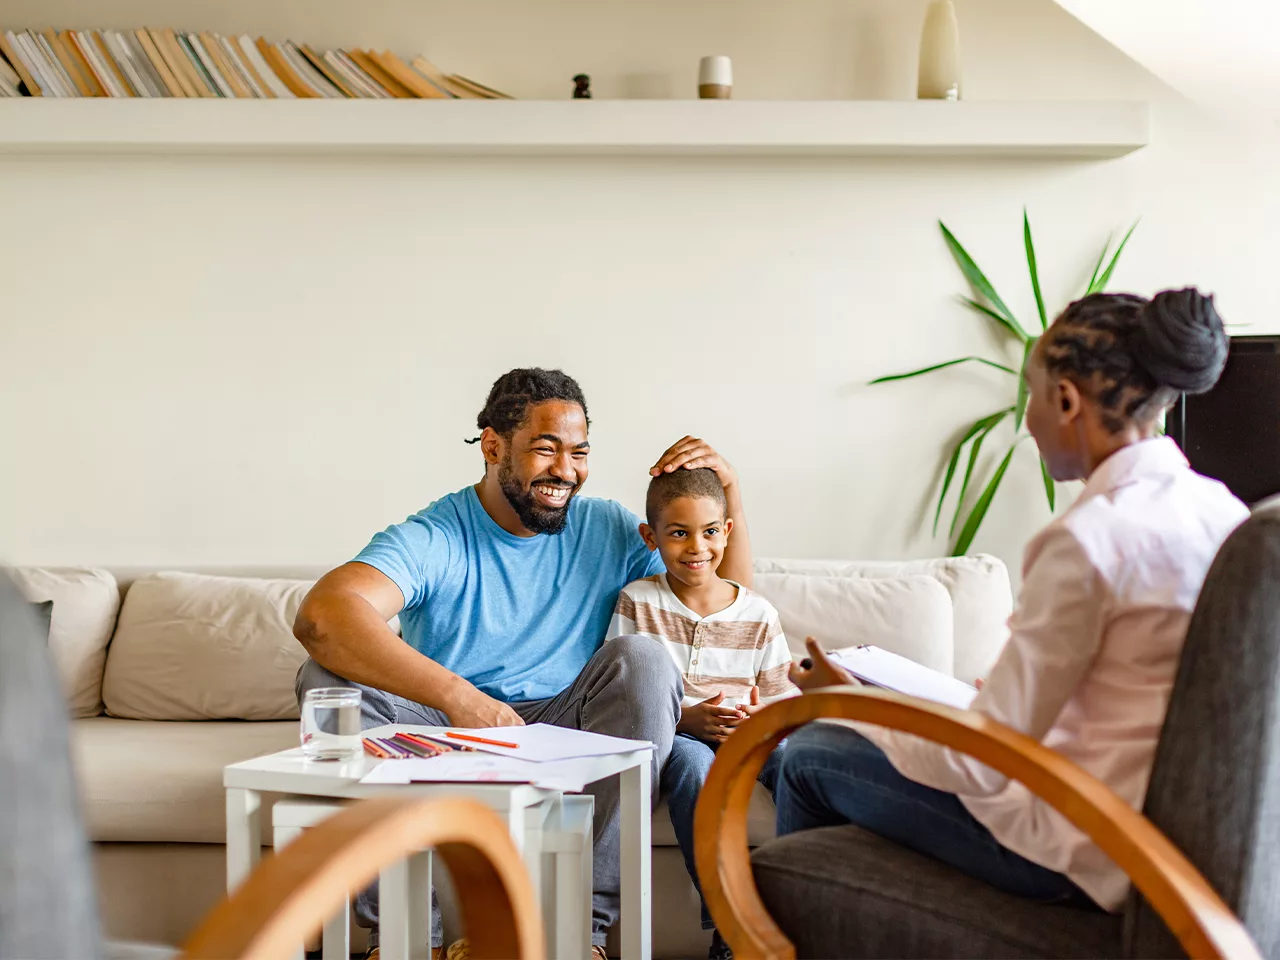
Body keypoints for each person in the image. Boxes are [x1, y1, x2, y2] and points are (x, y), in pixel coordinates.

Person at [778, 287, 1249, 915]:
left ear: (1065, 398)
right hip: (1175, 841)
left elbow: (982, 765)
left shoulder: (1089, 540)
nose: (1028, 420)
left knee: (809, 753)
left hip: (1088, 844)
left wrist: (853, 705)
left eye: (1031, 394)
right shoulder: (1225, 511)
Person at [293, 367, 753, 959]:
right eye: (545, 449)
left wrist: (730, 487)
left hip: (568, 724)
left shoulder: (609, 527)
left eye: (579, 452)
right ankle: (409, 940)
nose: (566, 470)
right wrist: (460, 697)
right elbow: (324, 616)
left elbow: (725, 606)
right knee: (327, 677)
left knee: (642, 660)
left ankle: (581, 937)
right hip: (445, 728)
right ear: (492, 447)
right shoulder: (438, 534)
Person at [606, 468, 793, 960]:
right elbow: (623, 690)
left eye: (710, 531)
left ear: (726, 532)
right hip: (680, 735)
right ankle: (729, 922)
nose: (697, 547)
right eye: (679, 533)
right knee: (692, 766)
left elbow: (779, 695)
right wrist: (684, 719)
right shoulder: (638, 601)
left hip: (747, 735)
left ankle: (804, 899)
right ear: (652, 537)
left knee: (797, 759)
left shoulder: (759, 614)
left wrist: (760, 719)